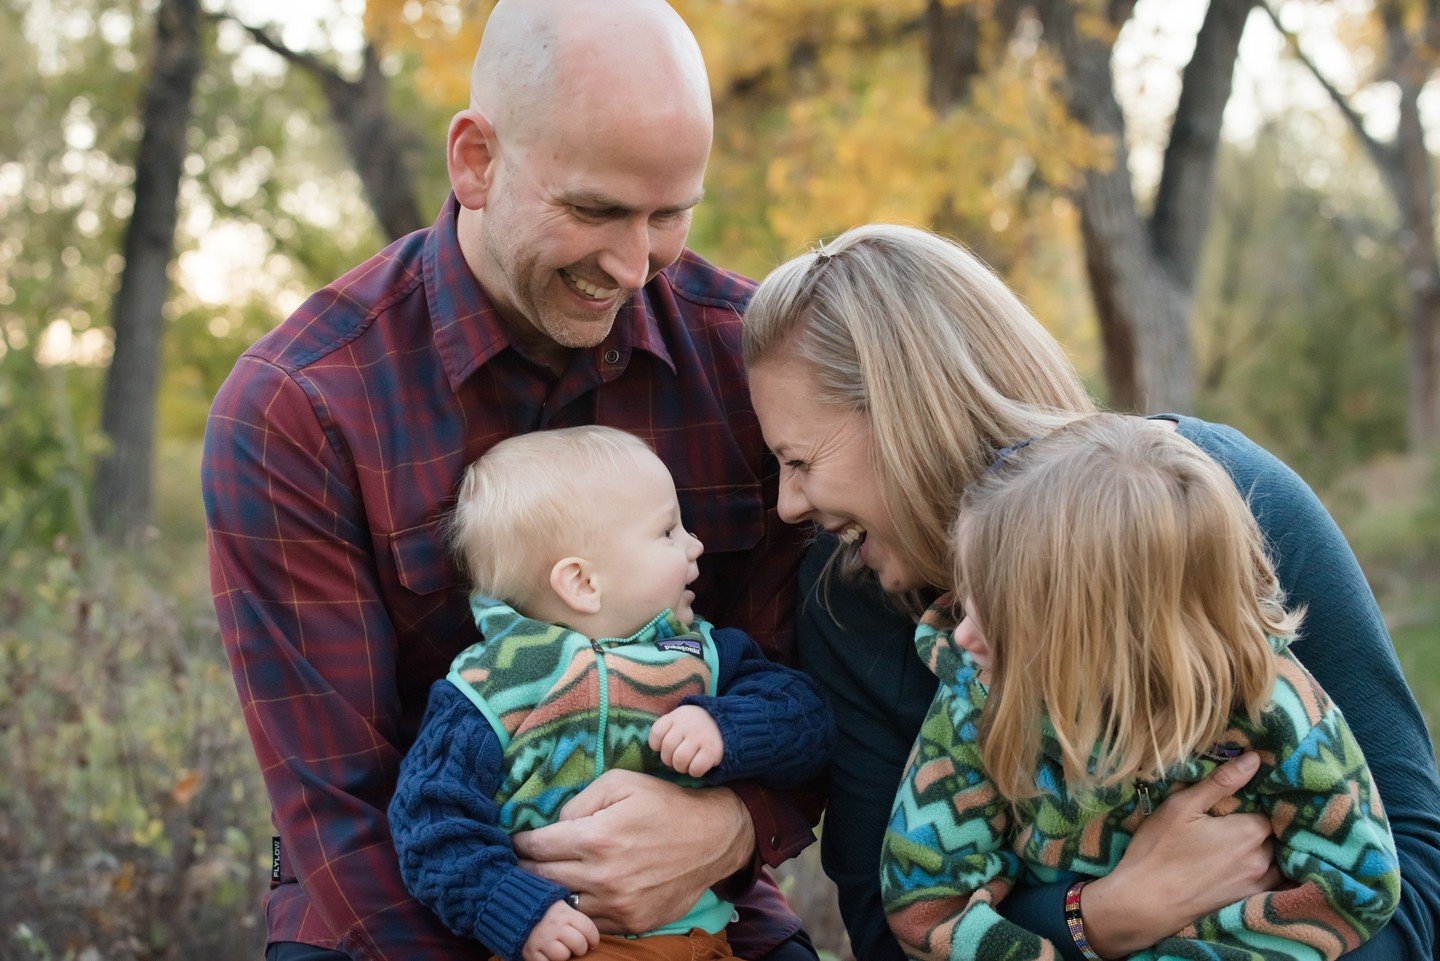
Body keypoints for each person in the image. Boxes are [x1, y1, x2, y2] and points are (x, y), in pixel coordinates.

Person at [201, 2, 818, 958]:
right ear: (475, 160)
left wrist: (733, 827)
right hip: (401, 892)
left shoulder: (750, 363)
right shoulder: (300, 408)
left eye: (669, 215)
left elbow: (815, 693)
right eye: (596, 209)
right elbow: (336, 806)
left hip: (692, 891)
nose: (632, 264)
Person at [740, 223, 1440, 961]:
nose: (790, 504)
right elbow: (893, 935)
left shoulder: (1210, 500)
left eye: (799, 458)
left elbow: (1415, 879)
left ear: (908, 414)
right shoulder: (851, 606)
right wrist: (1102, 915)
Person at [878, 413, 1399, 961]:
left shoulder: (1271, 709)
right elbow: (923, 907)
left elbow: (1356, 888)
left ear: (1108, 636)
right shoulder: (978, 698)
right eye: (969, 595)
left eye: (1000, 613)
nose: (962, 634)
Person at [388, 427, 834, 961]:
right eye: (668, 531)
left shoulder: (701, 654)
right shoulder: (491, 687)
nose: (695, 545)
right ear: (581, 582)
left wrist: (728, 726)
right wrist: (513, 908)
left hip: (705, 943)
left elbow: (807, 717)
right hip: (576, 945)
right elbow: (429, 822)